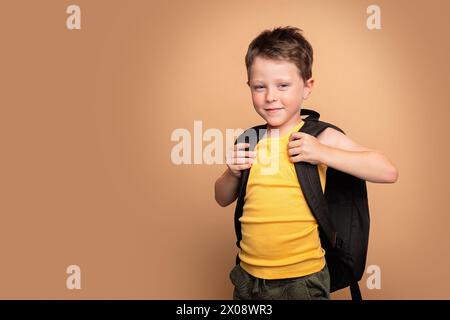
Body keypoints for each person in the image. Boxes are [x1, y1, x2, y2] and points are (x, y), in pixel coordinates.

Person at [214, 26, 399, 300]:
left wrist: (323, 153)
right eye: (259, 87)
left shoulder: (319, 136)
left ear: (307, 87)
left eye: (283, 85)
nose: (271, 97)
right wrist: (232, 172)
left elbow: (387, 171)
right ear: (249, 87)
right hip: (248, 279)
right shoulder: (249, 139)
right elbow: (221, 198)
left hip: (302, 281)